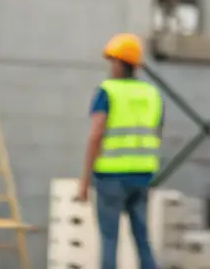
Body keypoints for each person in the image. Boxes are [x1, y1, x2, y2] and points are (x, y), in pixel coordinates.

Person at [75, 33, 165, 269]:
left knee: (109, 239)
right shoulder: (152, 94)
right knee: (142, 239)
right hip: (142, 176)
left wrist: (84, 181)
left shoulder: (107, 91)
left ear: (118, 63)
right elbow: (157, 133)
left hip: (110, 177)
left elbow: (96, 134)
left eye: (112, 61)